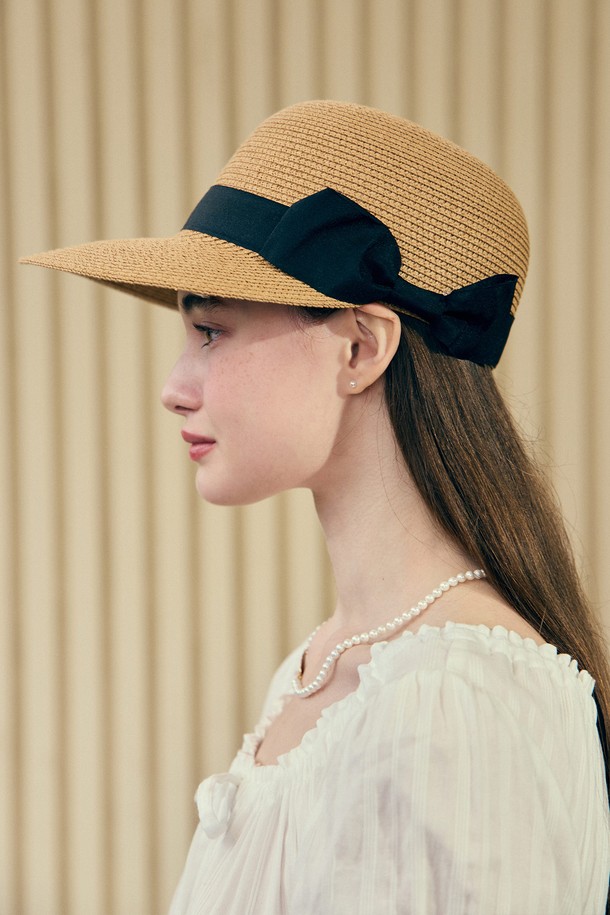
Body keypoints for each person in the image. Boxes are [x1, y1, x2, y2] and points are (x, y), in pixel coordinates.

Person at [22, 100, 610, 914]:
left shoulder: (458, 700)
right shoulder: (327, 668)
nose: (174, 387)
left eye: (211, 331)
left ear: (362, 348)